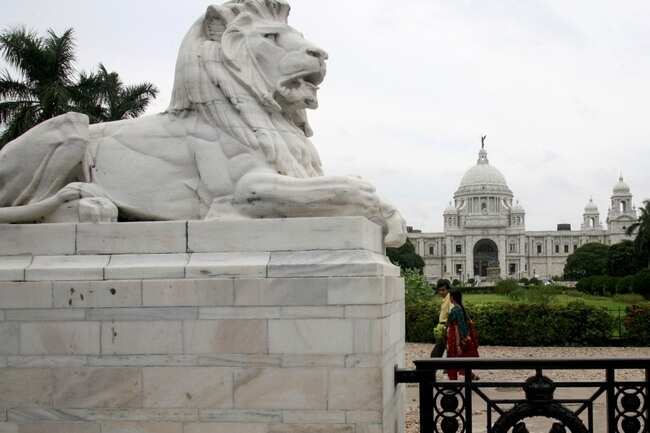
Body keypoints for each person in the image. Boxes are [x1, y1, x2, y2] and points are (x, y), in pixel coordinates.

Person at [446, 290, 480, 380]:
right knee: (464, 362)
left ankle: (453, 385)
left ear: (452, 297)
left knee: (452, 362)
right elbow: (468, 324)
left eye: (450, 297)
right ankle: (471, 378)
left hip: (455, 339)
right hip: (464, 338)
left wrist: (457, 345)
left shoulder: (454, 310)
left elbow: (456, 328)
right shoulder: (462, 309)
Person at [431, 279, 452, 358]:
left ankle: (432, 368)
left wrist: (446, 328)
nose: (441, 292)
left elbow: (451, 313)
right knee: (444, 350)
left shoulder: (450, 298)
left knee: (437, 352)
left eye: (443, 290)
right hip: (442, 327)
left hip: (446, 327)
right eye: (439, 290)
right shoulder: (445, 299)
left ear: (448, 289)